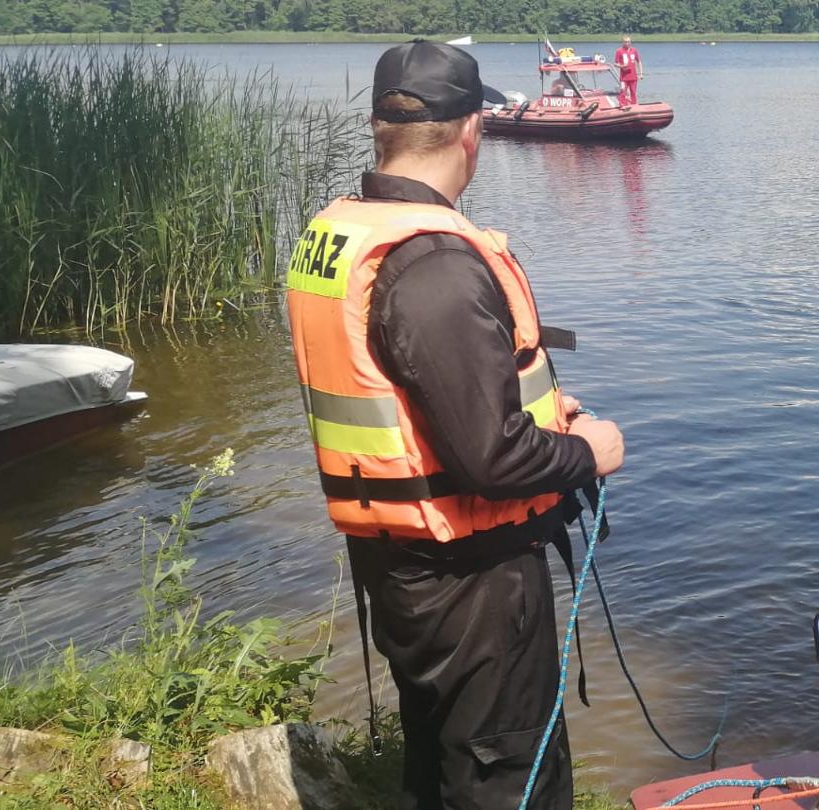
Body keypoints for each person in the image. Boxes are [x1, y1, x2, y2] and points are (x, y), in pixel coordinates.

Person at [283, 39, 624, 810]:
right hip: (470, 580)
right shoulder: (433, 260)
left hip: (405, 567)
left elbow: (418, 400)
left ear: (380, 128)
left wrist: (543, 416)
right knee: (505, 779)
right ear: (472, 131)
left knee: (443, 763)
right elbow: (492, 461)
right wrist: (587, 453)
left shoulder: (350, 230)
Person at [614, 36, 642, 106]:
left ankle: (634, 105)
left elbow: (639, 62)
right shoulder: (619, 51)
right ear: (623, 43)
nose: (627, 43)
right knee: (623, 91)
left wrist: (641, 73)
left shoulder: (634, 50)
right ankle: (622, 105)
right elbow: (615, 63)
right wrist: (622, 66)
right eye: (626, 42)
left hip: (633, 77)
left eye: (629, 42)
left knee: (633, 92)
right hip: (624, 77)